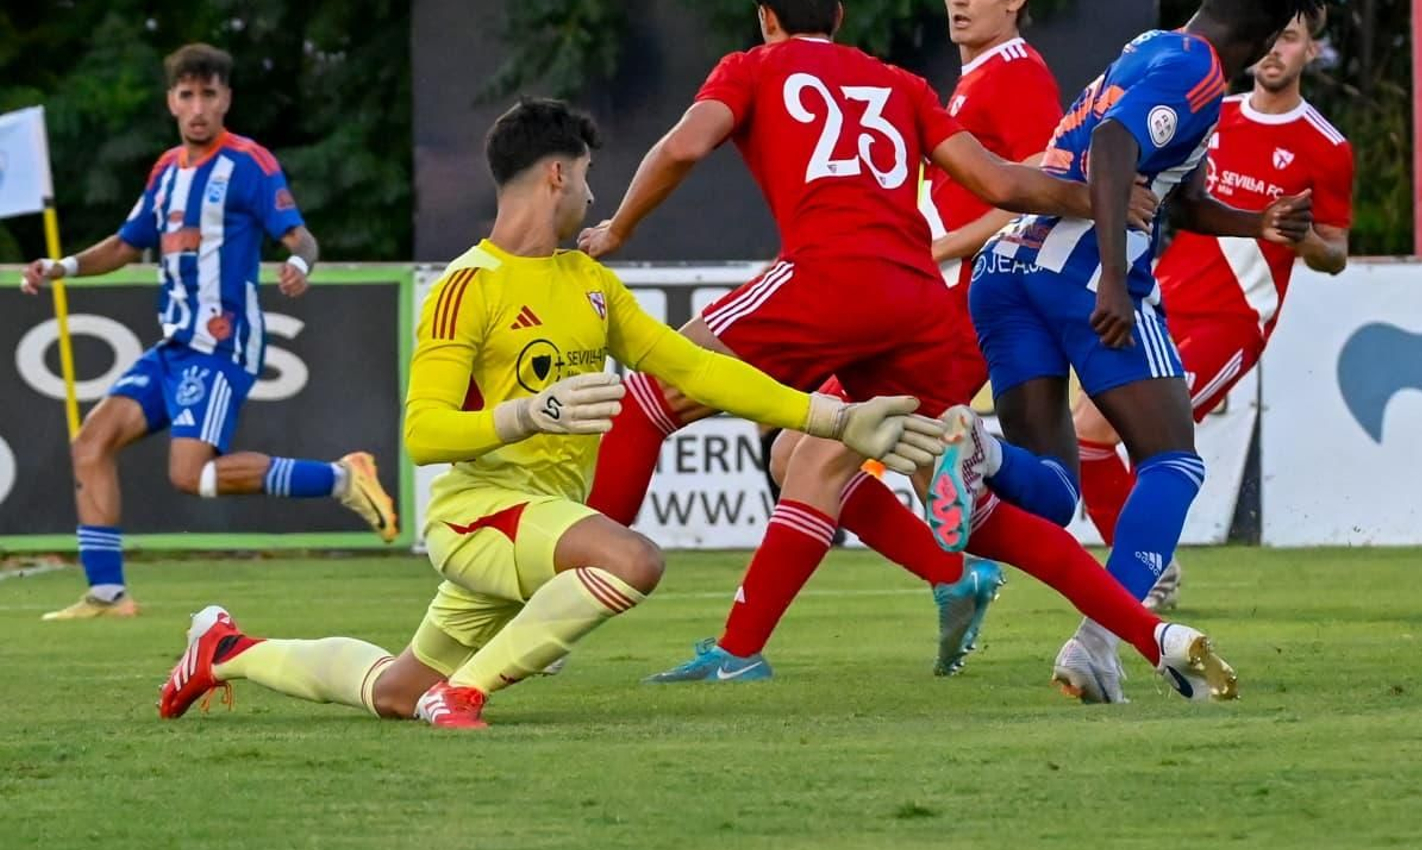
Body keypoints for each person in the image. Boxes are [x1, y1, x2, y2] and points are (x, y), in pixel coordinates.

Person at [157, 97, 944, 729]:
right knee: (633, 560)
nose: (598, 195)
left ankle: (225, 649)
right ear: (559, 177)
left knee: (392, 689)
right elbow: (423, 436)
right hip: (476, 517)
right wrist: (530, 414)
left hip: (535, 520)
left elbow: (700, 368)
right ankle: (463, 694)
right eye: (592, 178)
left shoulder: (589, 283)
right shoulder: (470, 286)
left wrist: (837, 420)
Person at [578, 0, 1233, 698]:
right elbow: (999, 180)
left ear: (766, 19)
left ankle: (578, 590)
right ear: (841, 15)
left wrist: (620, 227)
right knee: (869, 473)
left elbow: (684, 144)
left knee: (650, 397)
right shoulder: (900, 82)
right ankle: (1145, 632)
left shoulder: (757, 66)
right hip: (916, 300)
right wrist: (1094, 199)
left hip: (834, 279)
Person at [959, 0, 1322, 702]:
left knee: (1053, 493)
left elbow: (1176, 200)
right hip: (1082, 272)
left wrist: (1259, 222)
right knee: (1175, 461)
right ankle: (1098, 642)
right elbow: (1116, 143)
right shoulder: (1197, 70)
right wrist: (1118, 283)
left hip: (1005, 268)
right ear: (1260, 40)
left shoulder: (1152, 49)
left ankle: (976, 453)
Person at [763, 0, 1079, 675]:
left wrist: (937, 245)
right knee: (789, 452)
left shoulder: (1019, 75)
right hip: (923, 298)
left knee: (822, 458)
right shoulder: (971, 80)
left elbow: (1036, 188)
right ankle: (956, 567)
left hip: (961, 308)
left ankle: (739, 647)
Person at [21, 43, 398, 621]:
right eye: (187, 94)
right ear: (172, 101)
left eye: (209, 94)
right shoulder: (167, 170)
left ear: (226, 99)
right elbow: (126, 244)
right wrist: (63, 267)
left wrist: (300, 264)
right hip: (174, 347)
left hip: (222, 344)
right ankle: (107, 594)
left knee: (189, 475)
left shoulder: (248, 164)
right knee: (89, 443)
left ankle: (344, 478)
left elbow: (299, 235)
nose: (198, 106)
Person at [1074, 11, 1354, 612]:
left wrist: (1294, 235)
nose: (1276, 50)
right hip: (1162, 293)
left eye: (1291, 39)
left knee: (1102, 432)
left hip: (1232, 320)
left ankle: (1140, 574)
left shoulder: (1325, 146)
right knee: (1084, 436)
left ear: (1311, 51)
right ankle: (1152, 563)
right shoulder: (1212, 112)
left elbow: (1335, 255)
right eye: (1271, 36)